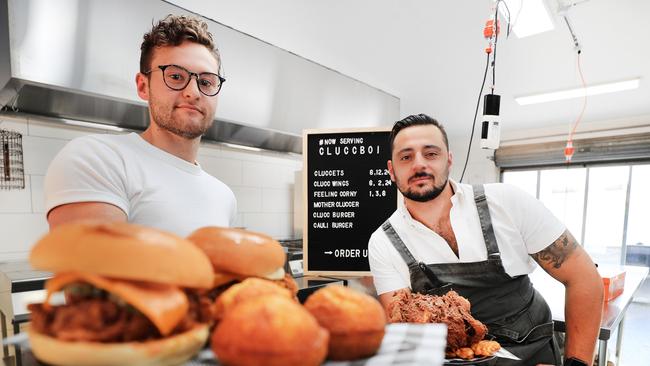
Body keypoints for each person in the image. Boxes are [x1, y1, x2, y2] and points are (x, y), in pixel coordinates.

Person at [368, 114, 603, 366]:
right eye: (406, 157)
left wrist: (577, 364)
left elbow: (583, 277)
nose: (418, 165)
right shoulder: (384, 242)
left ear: (449, 160)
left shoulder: (506, 202)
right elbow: (404, 329)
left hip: (533, 355)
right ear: (391, 170)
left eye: (431, 153)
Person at [44, 15, 236, 236]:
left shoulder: (224, 197)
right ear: (143, 86)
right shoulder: (97, 158)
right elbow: (90, 268)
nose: (193, 92)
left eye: (205, 82)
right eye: (175, 76)